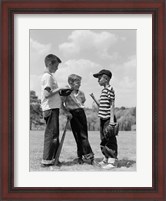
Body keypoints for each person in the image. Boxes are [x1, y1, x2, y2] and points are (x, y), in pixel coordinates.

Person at [40, 54, 68, 167]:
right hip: (50, 108)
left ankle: (53, 159)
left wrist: (62, 92)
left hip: (52, 108)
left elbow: (51, 92)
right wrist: (60, 89)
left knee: (54, 135)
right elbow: (47, 94)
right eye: (56, 65)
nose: (57, 68)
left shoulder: (49, 76)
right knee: (51, 135)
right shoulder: (48, 77)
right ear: (50, 64)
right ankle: (46, 161)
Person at [61, 74, 94, 165]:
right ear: (70, 83)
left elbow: (82, 101)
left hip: (81, 114)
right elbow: (61, 104)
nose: (79, 84)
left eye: (80, 82)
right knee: (79, 136)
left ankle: (83, 156)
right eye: (77, 83)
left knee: (84, 135)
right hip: (73, 114)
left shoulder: (81, 93)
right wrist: (67, 112)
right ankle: (87, 156)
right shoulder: (66, 92)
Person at [92, 69, 118, 169]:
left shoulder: (110, 89)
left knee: (110, 139)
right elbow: (103, 106)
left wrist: (112, 121)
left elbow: (112, 105)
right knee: (103, 139)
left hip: (108, 119)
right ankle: (106, 158)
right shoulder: (103, 90)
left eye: (99, 78)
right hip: (103, 119)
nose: (98, 80)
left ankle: (113, 161)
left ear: (106, 79)